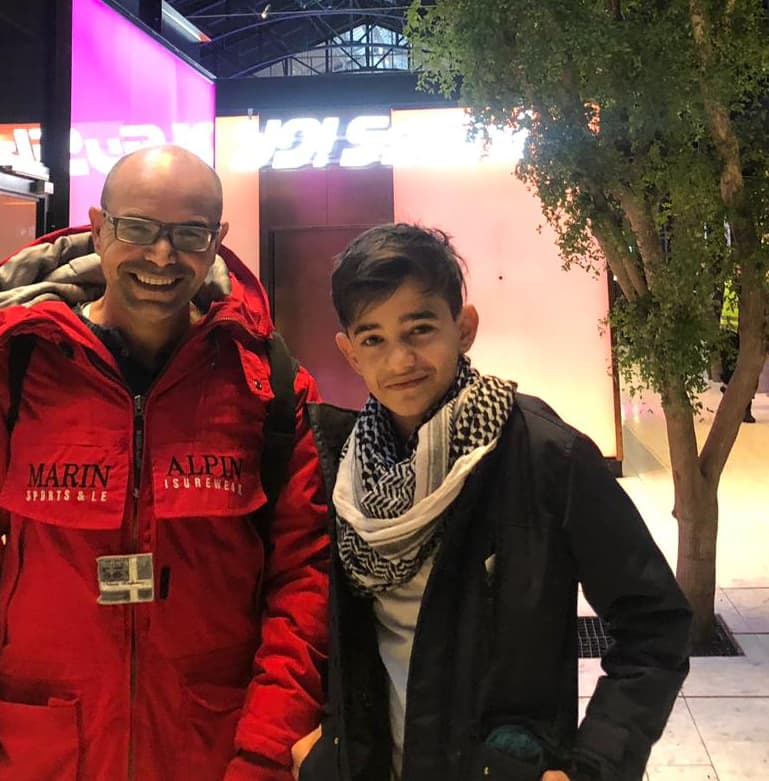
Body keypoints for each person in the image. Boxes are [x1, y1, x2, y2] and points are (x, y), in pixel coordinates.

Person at [295, 223, 692, 781]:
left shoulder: (545, 455)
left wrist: (597, 764)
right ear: (350, 353)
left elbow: (655, 623)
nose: (400, 358)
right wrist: (322, 742)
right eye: (374, 338)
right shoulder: (342, 470)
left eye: (420, 328)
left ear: (464, 328)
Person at [0, 146, 328, 781]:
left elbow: (303, 582)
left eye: (188, 234)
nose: (161, 255)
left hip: (213, 750)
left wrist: (265, 750)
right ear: (98, 228)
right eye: (138, 229)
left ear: (217, 241)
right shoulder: (19, 366)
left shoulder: (272, 389)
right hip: (39, 750)